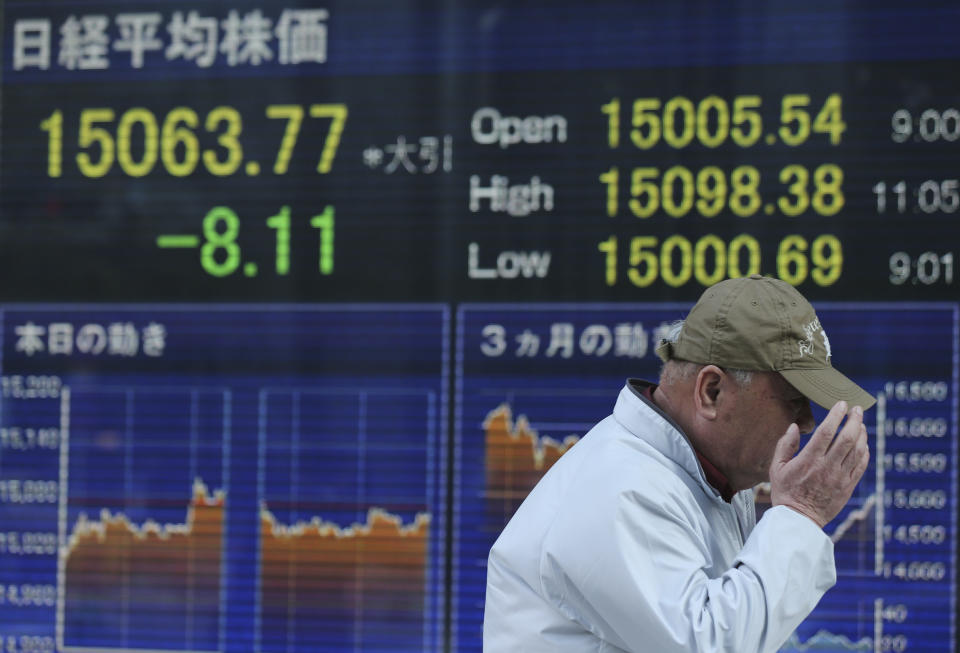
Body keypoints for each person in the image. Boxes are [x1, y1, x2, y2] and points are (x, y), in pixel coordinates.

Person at [483, 274, 875, 652]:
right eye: (793, 399)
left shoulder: (704, 475)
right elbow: (711, 644)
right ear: (712, 391)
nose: (807, 422)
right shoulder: (621, 487)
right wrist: (800, 514)